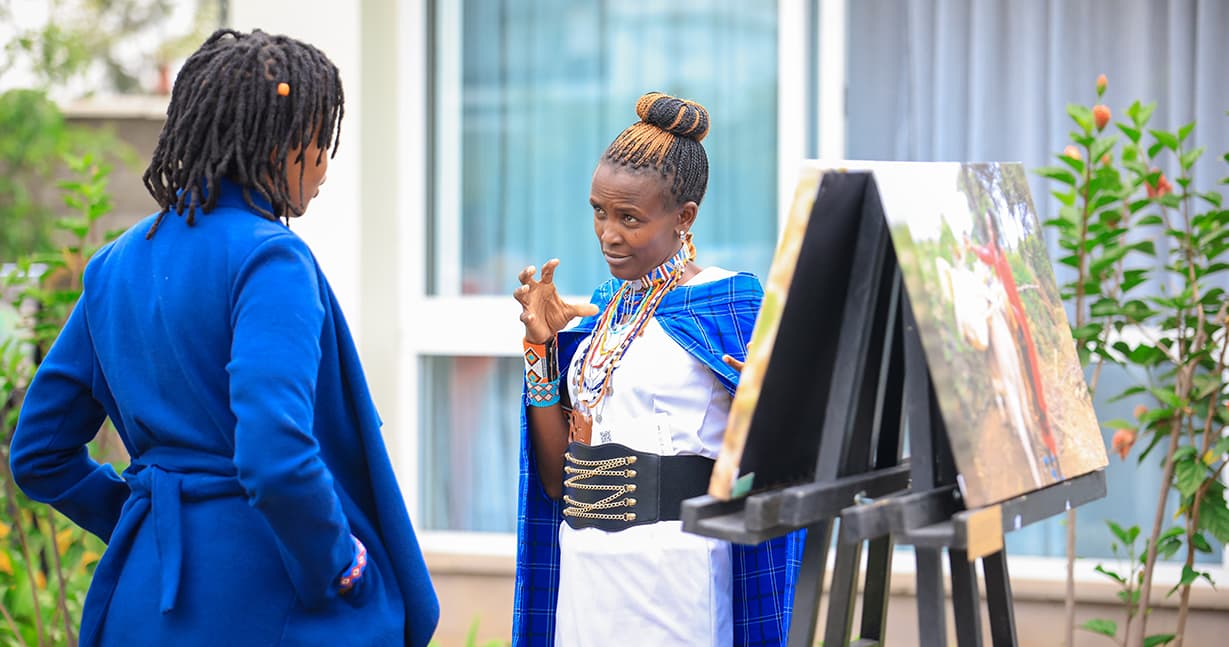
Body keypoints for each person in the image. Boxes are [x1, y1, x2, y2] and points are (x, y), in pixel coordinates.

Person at [10, 29, 438, 646]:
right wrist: (339, 566)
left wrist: (145, 517)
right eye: (320, 143)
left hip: (140, 602)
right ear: (287, 145)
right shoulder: (271, 259)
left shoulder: (115, 265)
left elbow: (38, 454)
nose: (323, 165)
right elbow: (274, 453)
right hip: (267, 598)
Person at [512, 92, 802, 647]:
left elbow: (784, 457)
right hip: (585, 569)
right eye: (599, 211)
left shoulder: (728, 302)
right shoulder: (602, 311)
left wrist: (769, 404)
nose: (608, 234)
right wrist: (540, 349)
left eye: (630, 218)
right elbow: (557, 479)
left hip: (675, 575)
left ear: (684, 217)